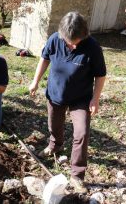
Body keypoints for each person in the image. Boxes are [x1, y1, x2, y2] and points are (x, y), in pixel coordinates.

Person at [29, 11, 106, 194]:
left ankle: (77, 174)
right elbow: (44, 59)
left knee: (82, 132)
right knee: (54, 123)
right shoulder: (55, 39)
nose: (71, 44)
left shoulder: (93, 48)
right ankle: (54, 145)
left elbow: (100, 75)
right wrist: (35, 81)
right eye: (68, 40)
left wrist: (95, 99)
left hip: (81, 98)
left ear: (84, 34)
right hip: (56, 93)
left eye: (75, 40)